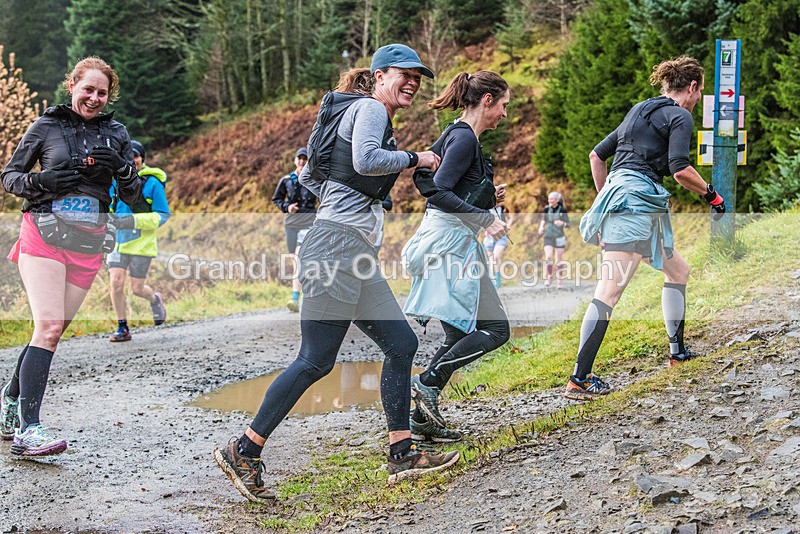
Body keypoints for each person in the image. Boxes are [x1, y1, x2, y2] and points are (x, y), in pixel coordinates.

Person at [214, 43, 459, 504]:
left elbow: (312, 180)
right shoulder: (370, 109)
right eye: (404, 74)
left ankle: (401, 454)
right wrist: (419, 159)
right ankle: (243, 450)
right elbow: (367, 161)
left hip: (350, 249)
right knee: (316, 359)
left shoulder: (364, 113)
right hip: (335, 249)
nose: (412, 83)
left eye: (418, 78)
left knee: (402, 343)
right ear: (380, 74)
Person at [0, 57, 143, 456]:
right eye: (88, 90)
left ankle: (11, 397)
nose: (94, 98)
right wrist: (40, 180)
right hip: (43, 235)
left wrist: (125, 170)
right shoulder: (46, 126)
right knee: (47, 327)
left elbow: (135, 199)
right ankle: (30, 429)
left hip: (88, 244)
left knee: (51, 333)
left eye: (102, 93)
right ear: (73, 86)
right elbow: (9, 177)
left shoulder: (117, 134)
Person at [564, 56, 725, 400]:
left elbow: (597, 155)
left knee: (678, 270)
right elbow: (680, 169)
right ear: (693, 87)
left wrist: (609, 196)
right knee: (609, 292)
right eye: (699, 92)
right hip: (635, 203)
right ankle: (579, 378)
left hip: (636, 202)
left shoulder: (639, 109)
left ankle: (678, 354)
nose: (697, 99)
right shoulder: (679, 115)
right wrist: (712, 195)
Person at [402, 71, 512, 442]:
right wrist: (485, 217)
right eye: (503, 105)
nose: (505, 114)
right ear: (487, 101)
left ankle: (422, 420)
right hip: (452, 244)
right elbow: (437, 192)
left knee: (458, 331)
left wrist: (484, 198)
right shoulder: (463, 138)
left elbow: (424, 175)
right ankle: (427, 383)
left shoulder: (454, 133)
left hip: (447, 240)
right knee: (496, 329)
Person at [107, 140, 170, 342]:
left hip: (142, 244)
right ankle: (122, 327)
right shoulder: (114, 183)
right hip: (117, 242)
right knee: (116, 283)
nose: (131, 160)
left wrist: (132, 220)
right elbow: (108, 209)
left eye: (135, 156)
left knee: (137, 289)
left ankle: (154, 299)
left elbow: (162, 215)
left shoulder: (152, 183)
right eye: (127, 156)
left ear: (142, 158)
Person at [272, 147, 316, 312]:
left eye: (305, 159)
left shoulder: (313, 179)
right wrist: (287, 206)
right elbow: (276, 199)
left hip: (309, 222)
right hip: (291, 224)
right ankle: (302, 295)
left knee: (300, 259)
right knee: (296, 261)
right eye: (300, 159)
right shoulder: (286, 180)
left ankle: (296, 296)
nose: (302, 161)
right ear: (295, 160)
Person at [538, 191, 570, 289]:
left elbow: (568, 224)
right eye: (549, 199)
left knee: (558, 260)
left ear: (557, 200)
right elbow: (544, 219)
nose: (549, 201)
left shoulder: (563, 210)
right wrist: (541, 226)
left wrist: (562, 223)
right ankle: (549, 277)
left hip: (559, 236)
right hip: (548, 235)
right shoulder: (547, 209)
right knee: (548, 257)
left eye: (551, 199)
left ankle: (559, 280)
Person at [483, 203, 513, 288]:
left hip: (501, 236)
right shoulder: (486, 208)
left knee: (496, 257)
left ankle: (498, 280)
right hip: (488, 237)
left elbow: (510, 218)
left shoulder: (502, 207)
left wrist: (508, 226)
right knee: (491, 259)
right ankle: (493, 280)